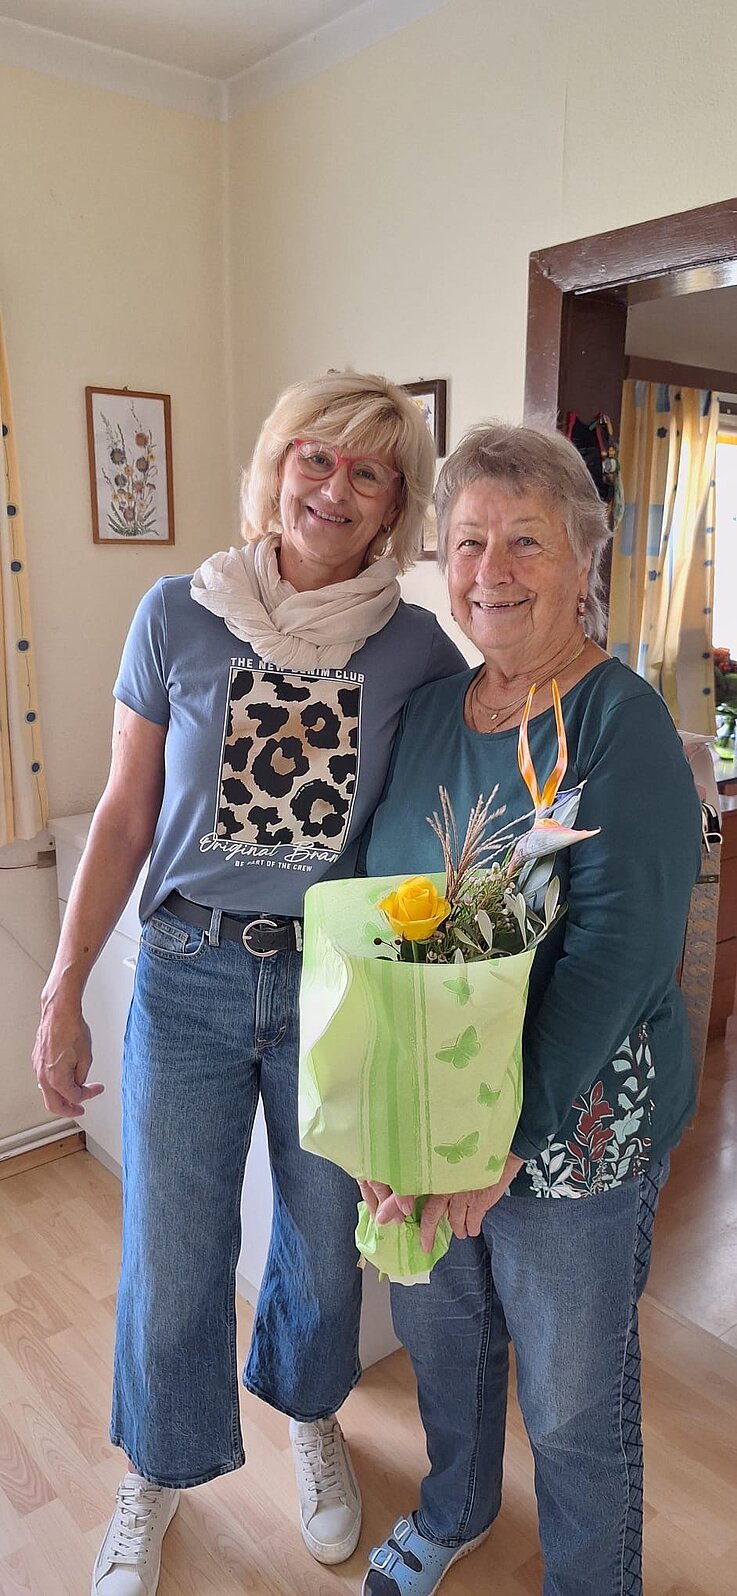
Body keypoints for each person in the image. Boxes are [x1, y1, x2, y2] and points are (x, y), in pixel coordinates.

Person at [32, 370, 465, 1596]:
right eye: (315, 458)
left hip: (334, 988)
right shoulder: (178, 613)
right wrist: (63, 988)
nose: (336, 487)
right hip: (188, 974)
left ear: (394, 508)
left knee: (325, 1250)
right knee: (174, 1255)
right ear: (275, 467)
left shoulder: (415, 650)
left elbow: (431, 822)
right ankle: (156, 1472)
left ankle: (311, 1415)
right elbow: (126, 815)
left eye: (369, 471)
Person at [359, 422, 703, 1596]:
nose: (489, 572)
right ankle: (453, 1508)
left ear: (581, 557)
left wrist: (504, 1135)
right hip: (429, 1114)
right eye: (466, 542)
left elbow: (619, 955)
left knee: (568, 1399)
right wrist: (381, 1112)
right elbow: (380, 915)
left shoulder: (619, 722)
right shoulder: (431, 712)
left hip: (569, 1136)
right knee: (444, 1346)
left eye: (524, 541)